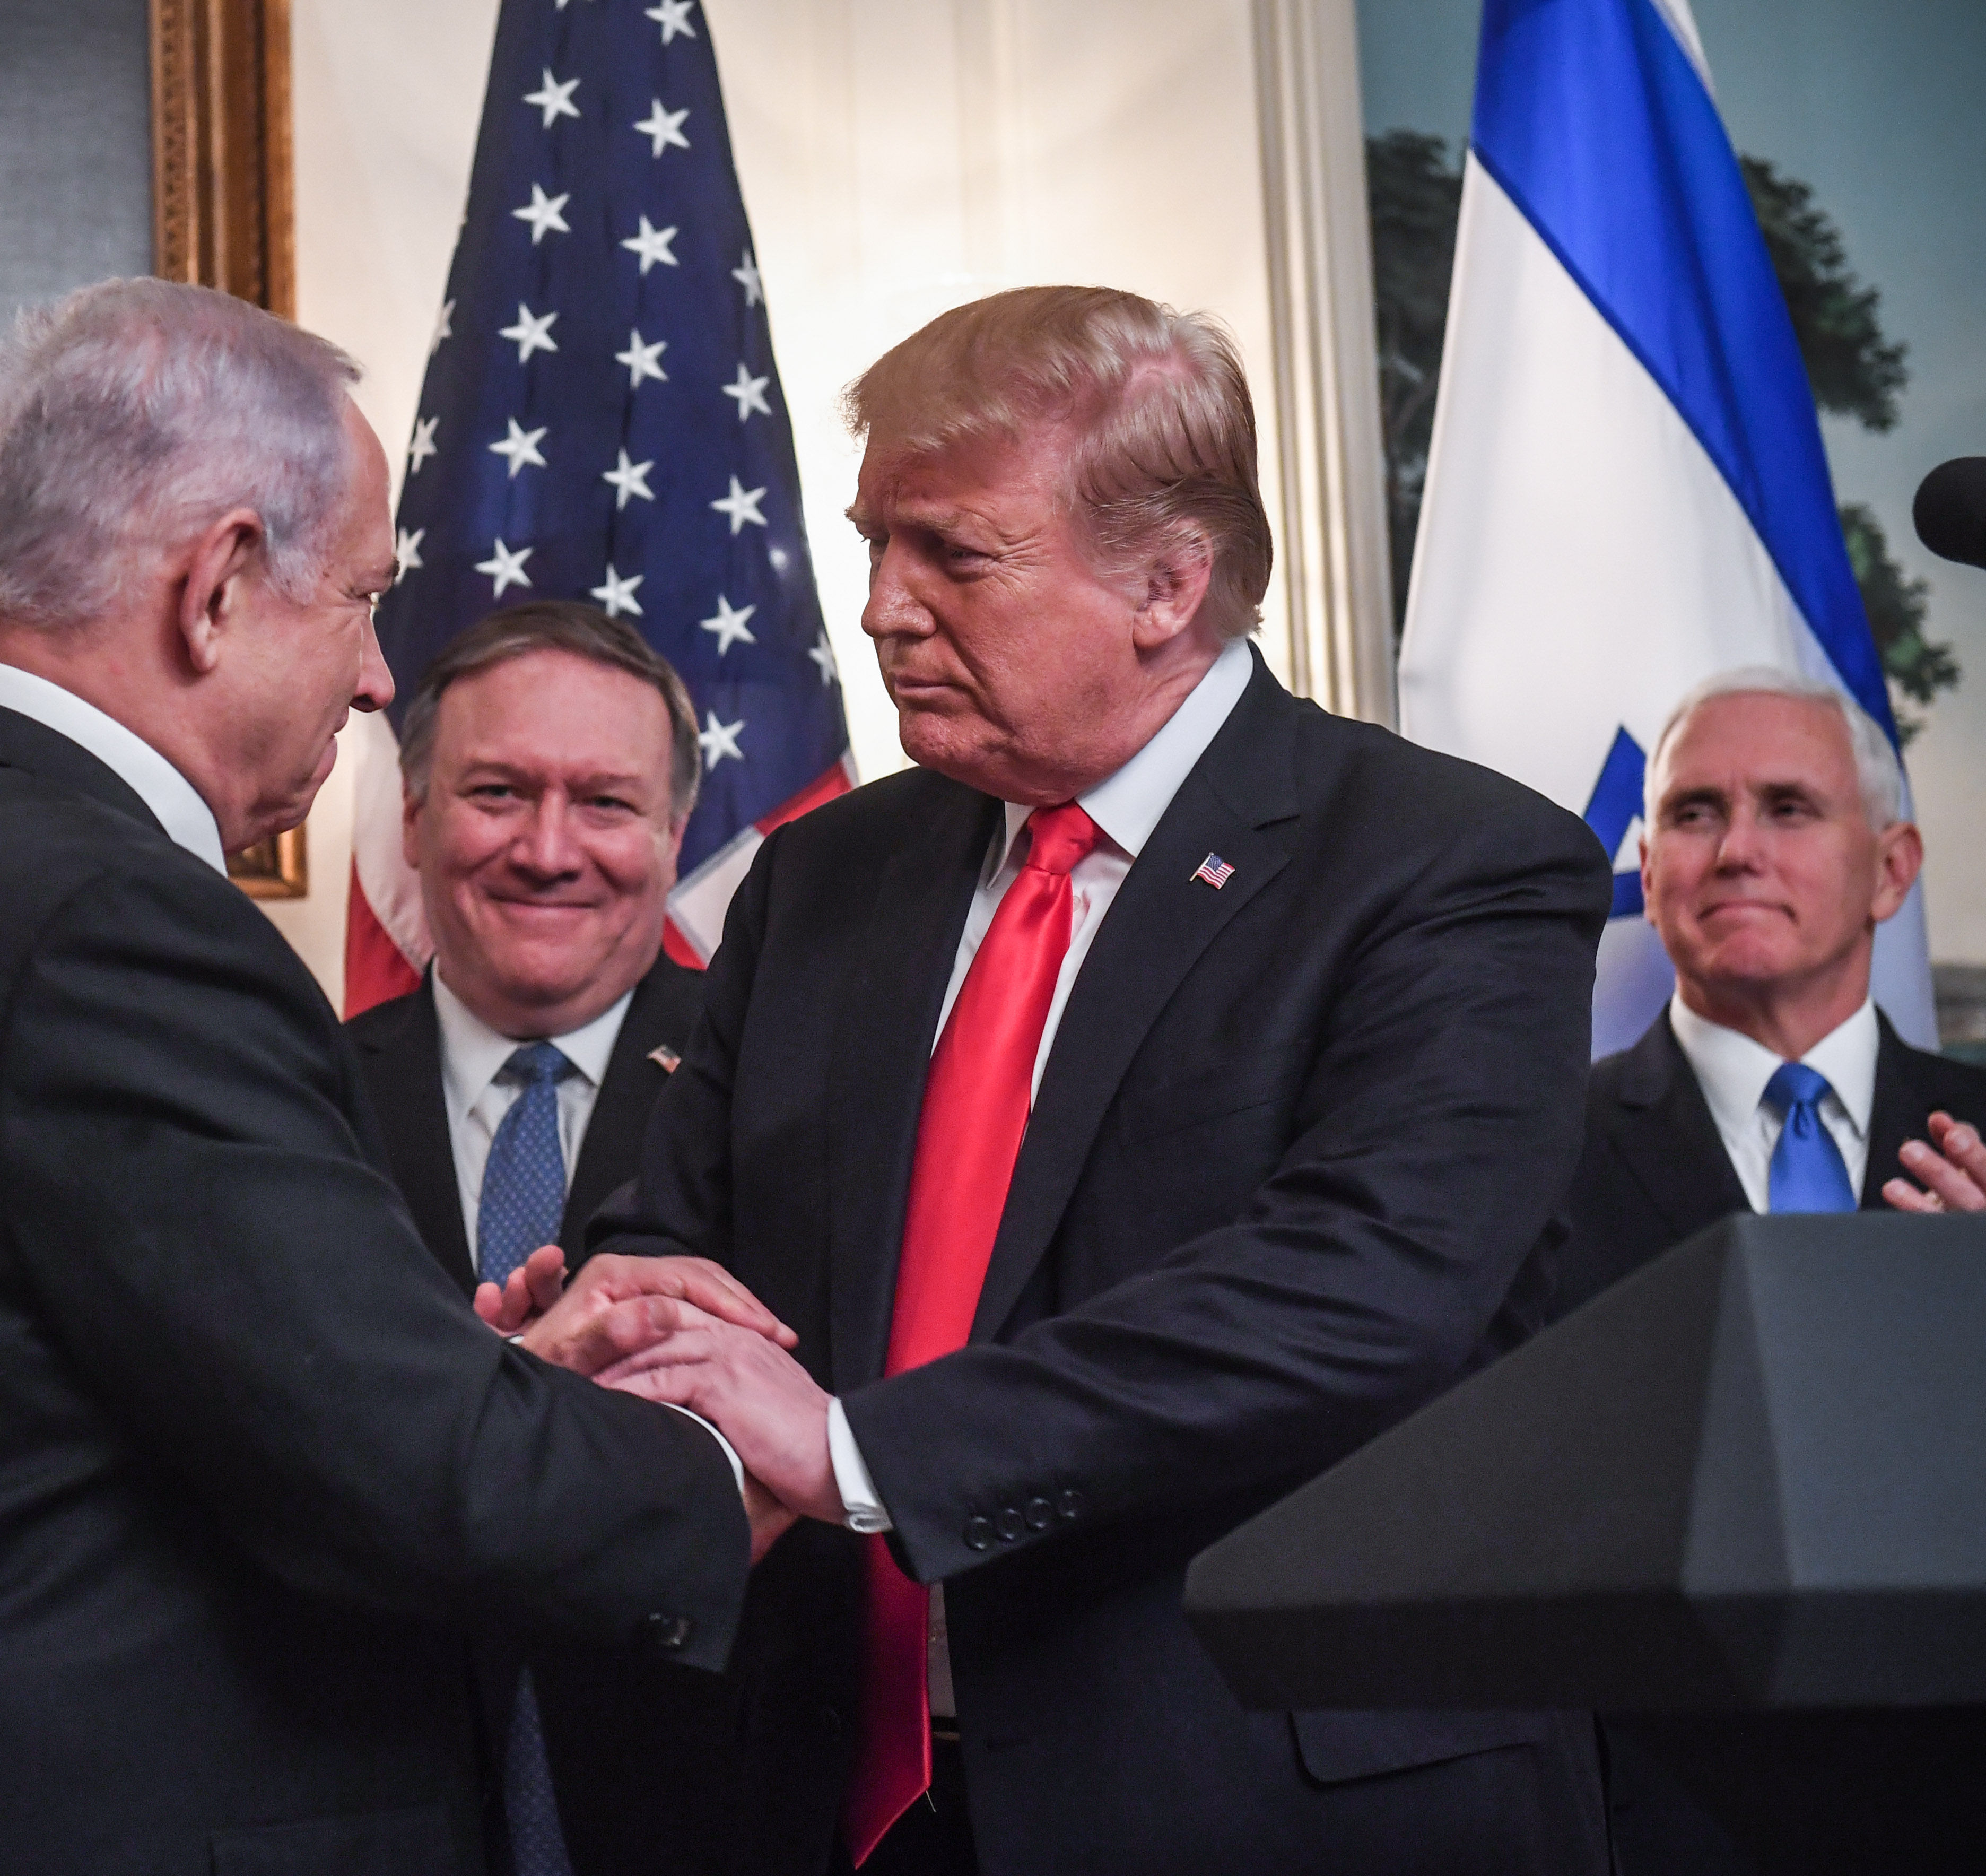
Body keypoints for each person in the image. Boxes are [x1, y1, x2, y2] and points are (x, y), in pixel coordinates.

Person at [0, 279, 790, 1876]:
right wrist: (749, 1451)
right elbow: (411, 1476)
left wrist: (486, 1381)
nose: (385, 677)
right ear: (221, 583)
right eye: (362, 601)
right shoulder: (105, 916)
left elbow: (140, 1387)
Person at [573, 286, 1615, 1874]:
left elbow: (1364, 1292)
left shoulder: (1450, 867)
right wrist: (623, 1327)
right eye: (874, 546)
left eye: (954, 556)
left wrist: (858, 1455)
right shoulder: (821, 877)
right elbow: (679, 1229)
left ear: (1167, 584)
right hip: (831, 1795)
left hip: (1264, 1799)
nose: (881, 611)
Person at [1549, 668, 1986, 1876]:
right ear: (1648, 862)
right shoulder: (1518, 1162)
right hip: (1640, 1824)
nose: (1736, 848)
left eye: (1789, 807)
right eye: (1694, 812)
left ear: (1893, 869)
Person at [343, 602, 725, 1876]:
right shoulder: (290, 1099)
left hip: (711, 1802)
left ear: (676, 834)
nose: (548, 851)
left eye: (607, 803)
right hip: (376, 1792)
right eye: (498, 791)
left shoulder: (794, 1089)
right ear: (412, 814)